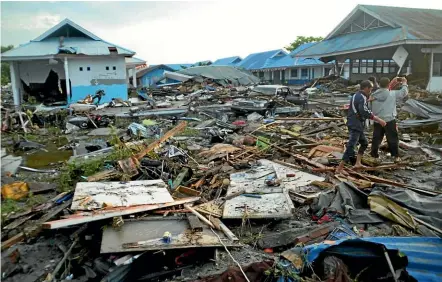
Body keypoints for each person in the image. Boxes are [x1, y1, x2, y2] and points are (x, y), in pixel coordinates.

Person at [336, 80, 387, 173]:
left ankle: (358, 163)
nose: (370, 91)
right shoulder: (362, 97)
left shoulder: (355, 95)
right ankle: (339, 168)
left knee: (364, 143)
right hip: (356, 124)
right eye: (370, 89)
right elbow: (364, 111)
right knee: (351, 145)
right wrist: (378, 119)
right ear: (366, 88)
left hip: (354, 123)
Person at [369, 77, 400, 161]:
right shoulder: (392, 94)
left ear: (379, 84)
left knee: (376, 138)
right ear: (388, 84)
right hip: (389, 120)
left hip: (377, 120)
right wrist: (404, 83)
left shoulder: (373, 95)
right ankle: (395, 156)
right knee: (392, 138)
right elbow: (404, 92)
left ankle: (374, 154)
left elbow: (369, 108)